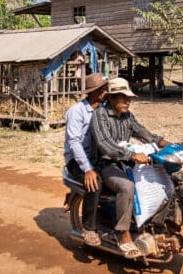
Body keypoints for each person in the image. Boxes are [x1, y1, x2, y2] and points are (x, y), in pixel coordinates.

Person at [89, 77, 170, 259]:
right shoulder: (100, 115)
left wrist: (169, 145)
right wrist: (131, 155)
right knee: (127, 187)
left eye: (129, 98)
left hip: (125, 163)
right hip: (105, 165)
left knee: (162, 179)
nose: (127, 101)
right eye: (122, 97)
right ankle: (123, 235)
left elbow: (145, 134)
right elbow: (105, 145)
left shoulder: (127, 116)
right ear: (110, 98)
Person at [63, 72, 108, 246]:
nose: (107, 92)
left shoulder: (103, 111)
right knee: (95, 184)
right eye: (104, 89)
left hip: (97, 157)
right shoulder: (77, 111)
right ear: (95, 92)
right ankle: (89, 228)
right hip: (77, 160)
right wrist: (88, 169)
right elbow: (74, 143)